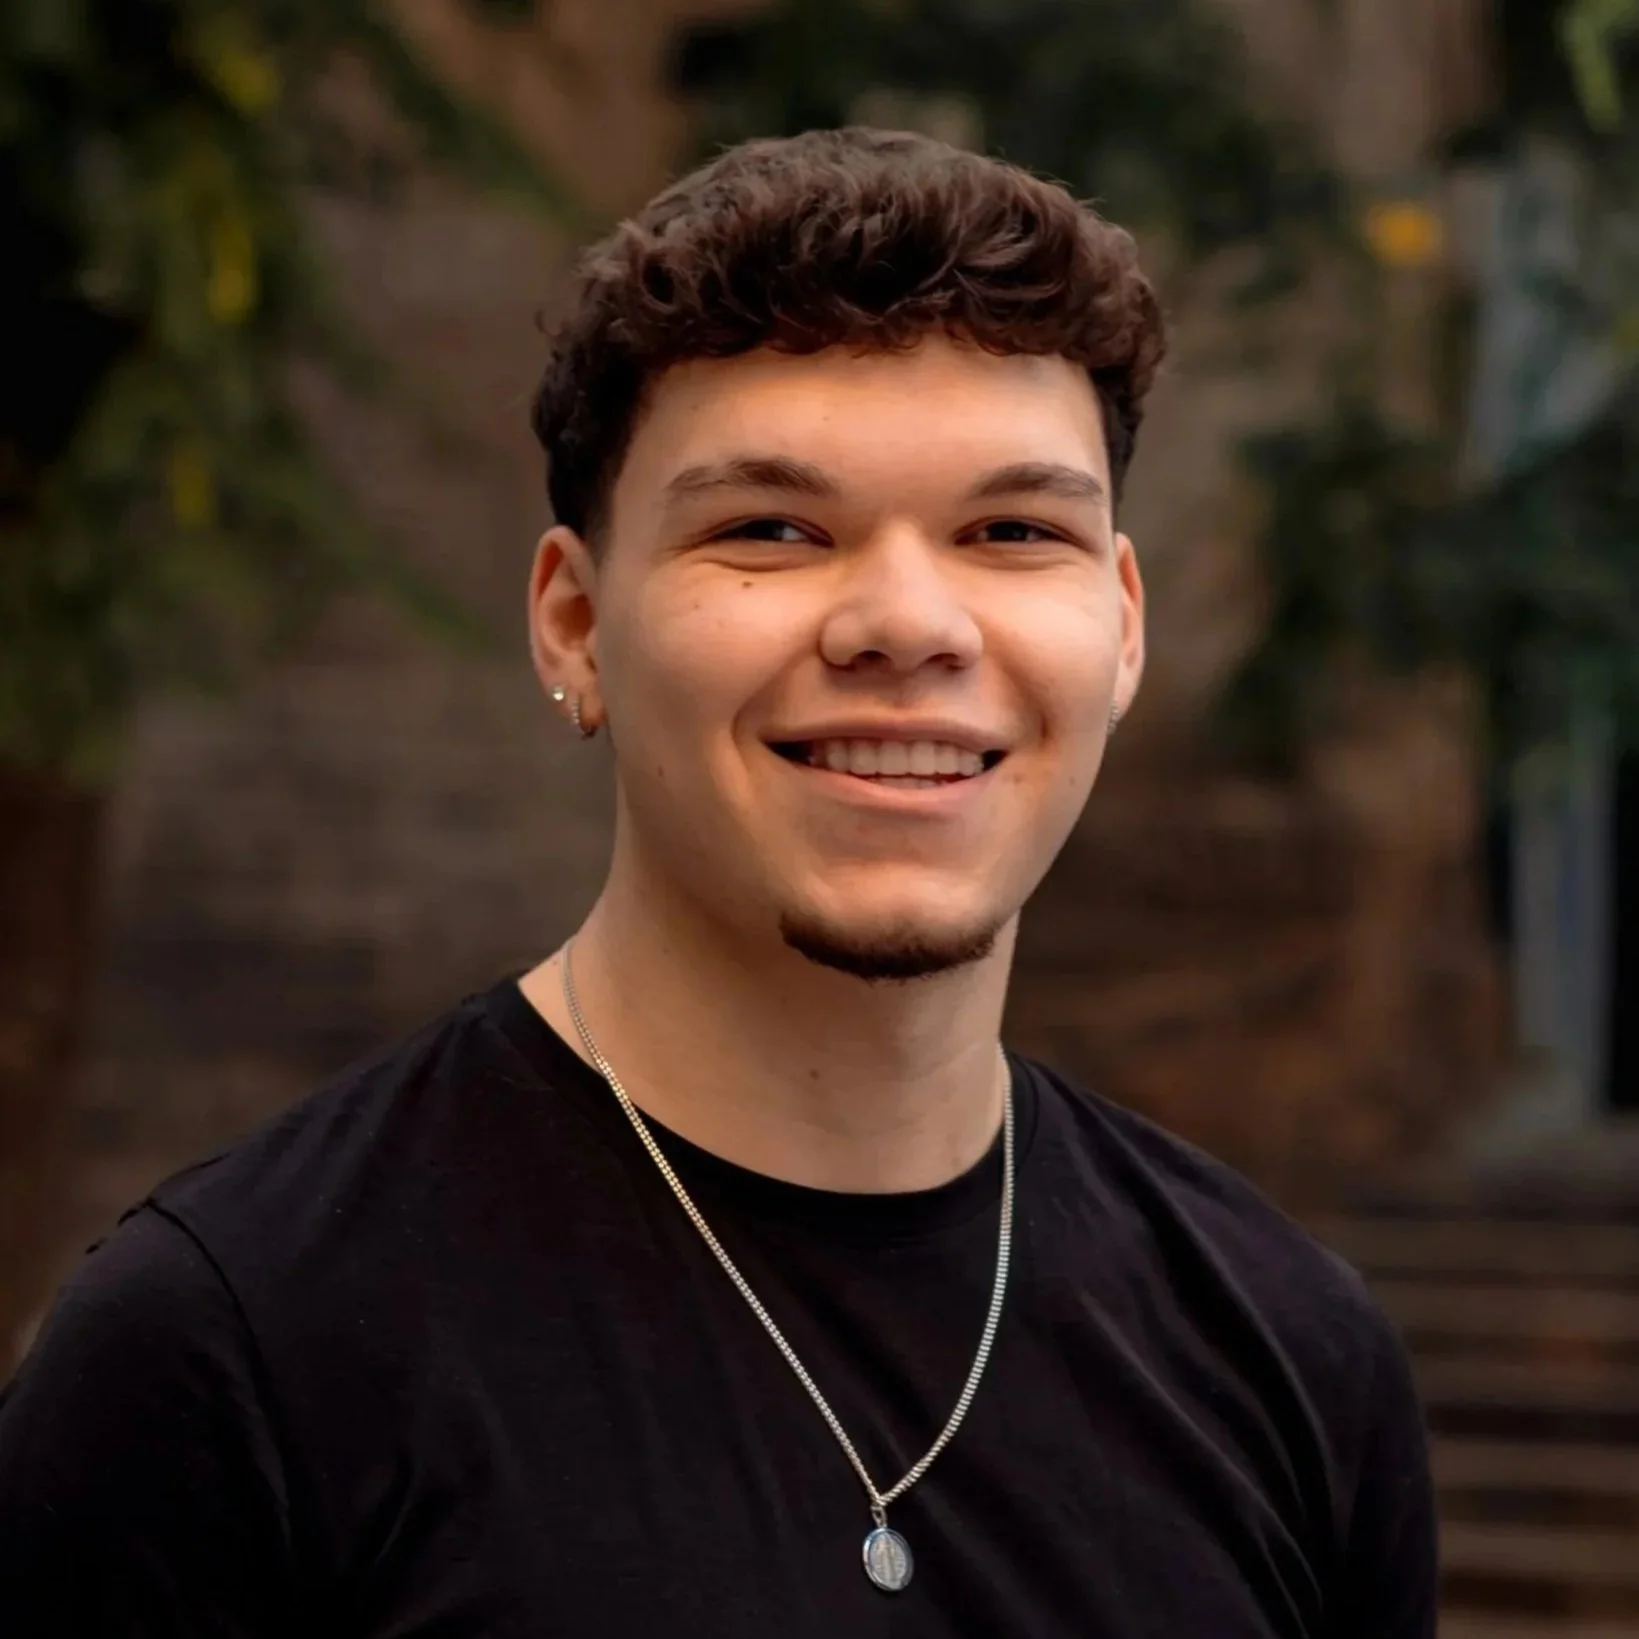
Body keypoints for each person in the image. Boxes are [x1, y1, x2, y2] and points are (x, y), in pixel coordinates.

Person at [0, 127, 1437, 1636]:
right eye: (771, 530)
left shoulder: (1295, 1357)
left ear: (1121, 626)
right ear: (571, 622)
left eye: (1011, 531)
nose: (905, 621)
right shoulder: (227, 1353)